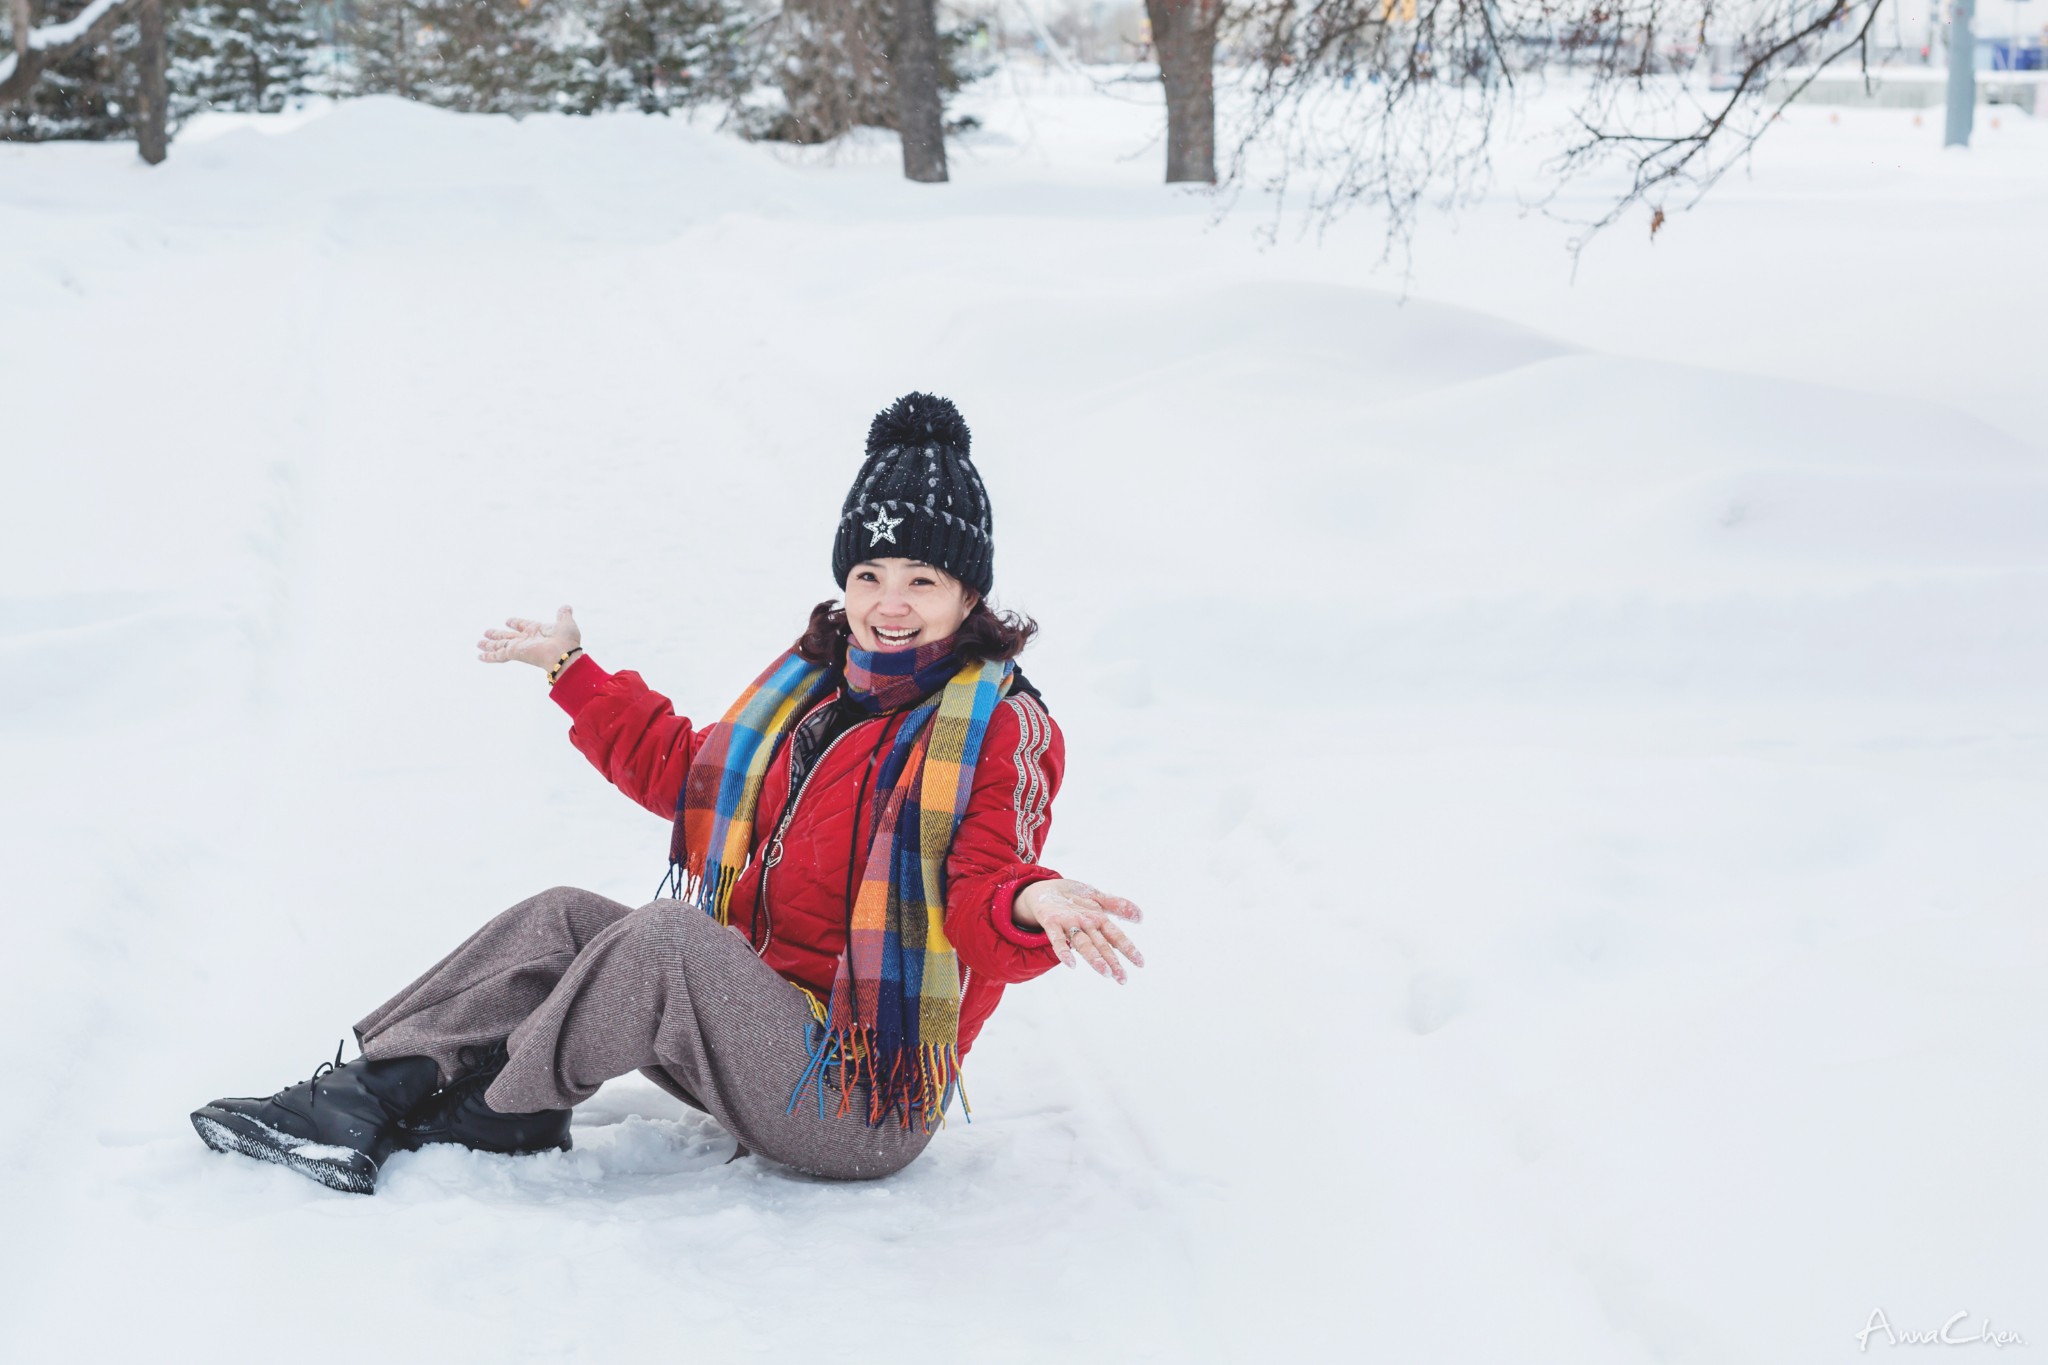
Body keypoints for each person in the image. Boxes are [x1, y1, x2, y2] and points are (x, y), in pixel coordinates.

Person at [190, 392, 1145, 1194]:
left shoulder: (999, 725)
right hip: (752, 1038)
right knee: (563, 915)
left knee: (668, 937)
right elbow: (693, 778)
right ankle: (370, 1091)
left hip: (857, 1103)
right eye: (869, 573)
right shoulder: (815, 693)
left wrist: (1033, 900)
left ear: (968, 595)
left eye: (922, 578)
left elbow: (985, 885)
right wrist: (572, 670)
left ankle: (507, 1112)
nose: (889, 602)